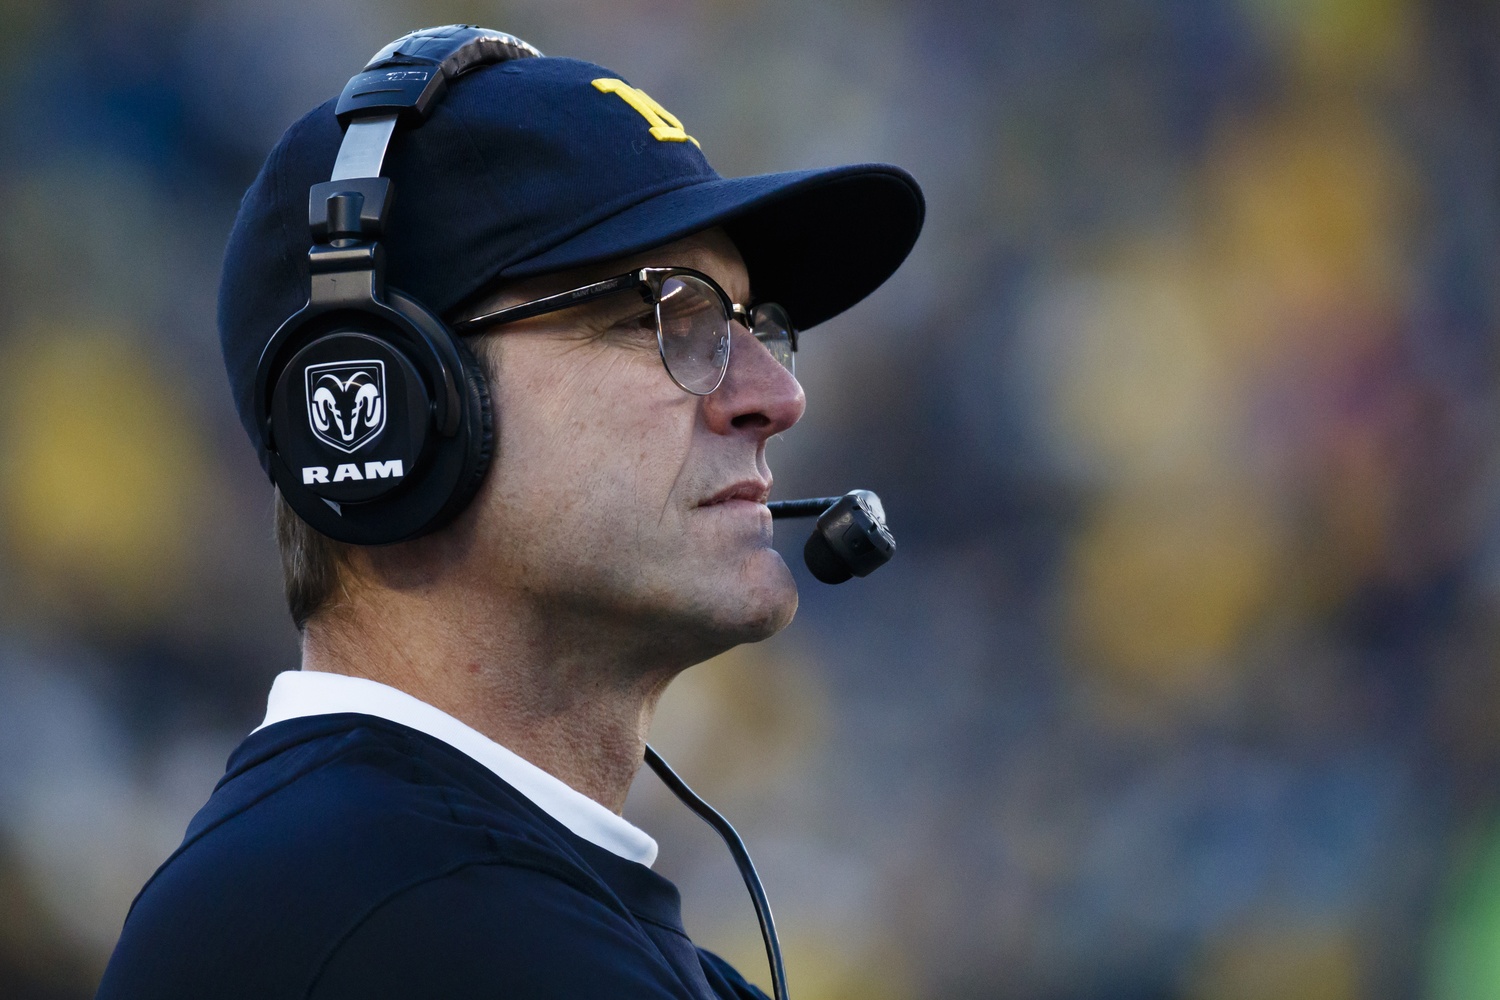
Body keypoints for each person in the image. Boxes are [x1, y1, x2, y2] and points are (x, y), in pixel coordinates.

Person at [96, 25, 922, 999]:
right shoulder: (407, 922)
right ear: (383, 403)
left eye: (757, 328)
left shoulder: (457, 901)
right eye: (663, 315)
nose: (777, 397)